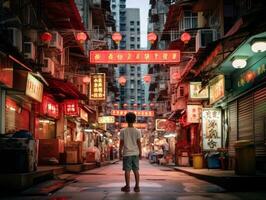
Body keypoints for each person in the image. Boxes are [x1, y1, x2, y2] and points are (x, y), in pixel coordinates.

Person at [119, 112, 142, 193]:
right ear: (135, 120)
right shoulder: (138, 131)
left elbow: (121, 143)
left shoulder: (123, 131)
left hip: (127, 154)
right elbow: (139, 142)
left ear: (126, 120)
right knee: (136, 170)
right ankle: (137, 187)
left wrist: (119, 152)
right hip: (135, 153)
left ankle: (127, 186)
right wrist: (140, 153)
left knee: (127, 170)